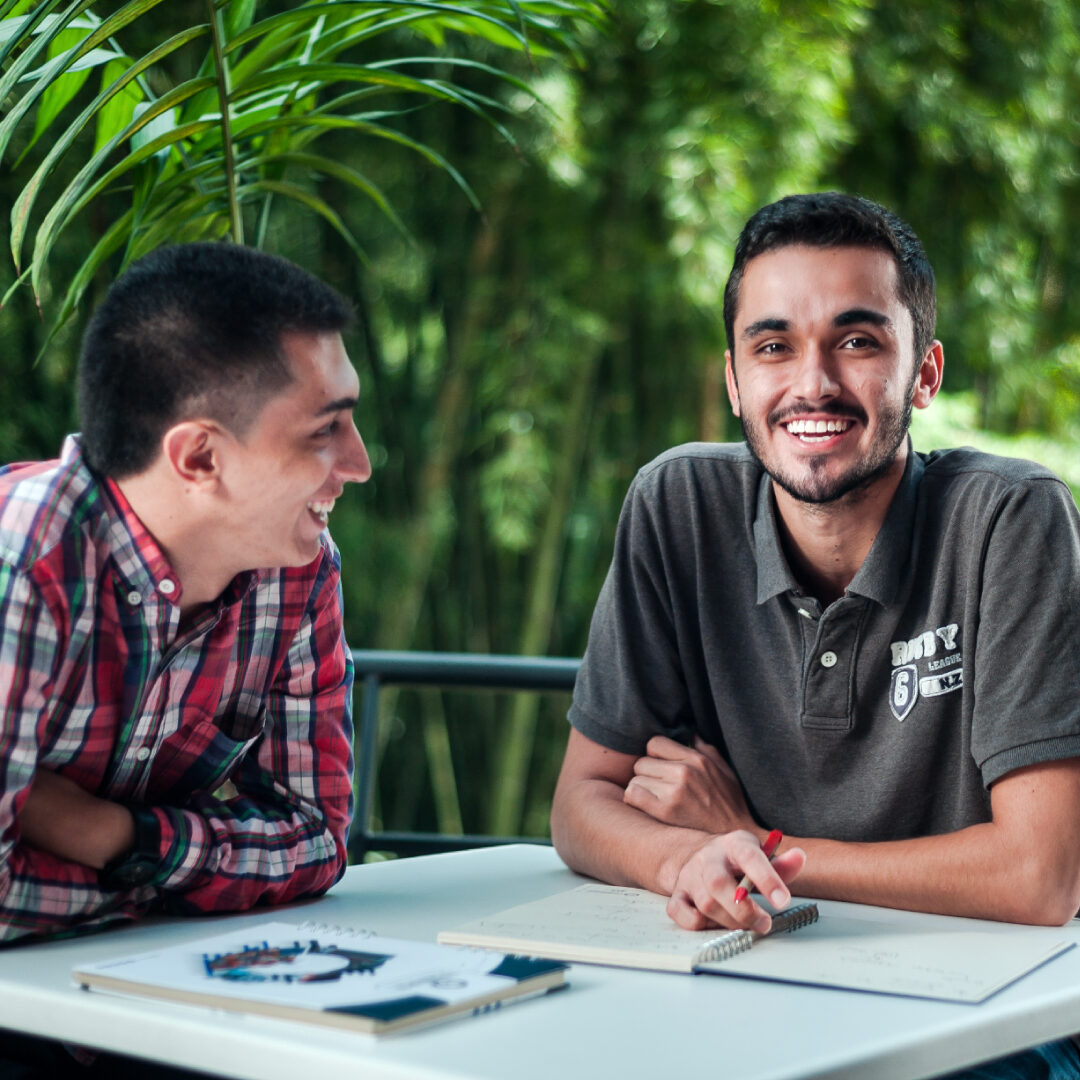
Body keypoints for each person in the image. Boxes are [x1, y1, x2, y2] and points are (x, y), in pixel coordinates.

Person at [551, 193, 1080, 1078]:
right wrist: (698, 856)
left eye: (859, 341)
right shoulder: (676, 505)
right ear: (733, 379)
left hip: (983, 1028)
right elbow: (581, 806)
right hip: (751, 994)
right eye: (773, 347)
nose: (813, 384)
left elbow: (1040, 877)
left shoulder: (1011, 521)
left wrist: (758, 845)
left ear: (925, 373)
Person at [0, 242, 370, 954]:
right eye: (326, 430)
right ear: (199, 457)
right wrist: (162, 886)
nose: (359, 465)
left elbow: (317, 839)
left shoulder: (297, 571)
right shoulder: (26, 560)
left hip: (128, 998)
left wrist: (113, 837)